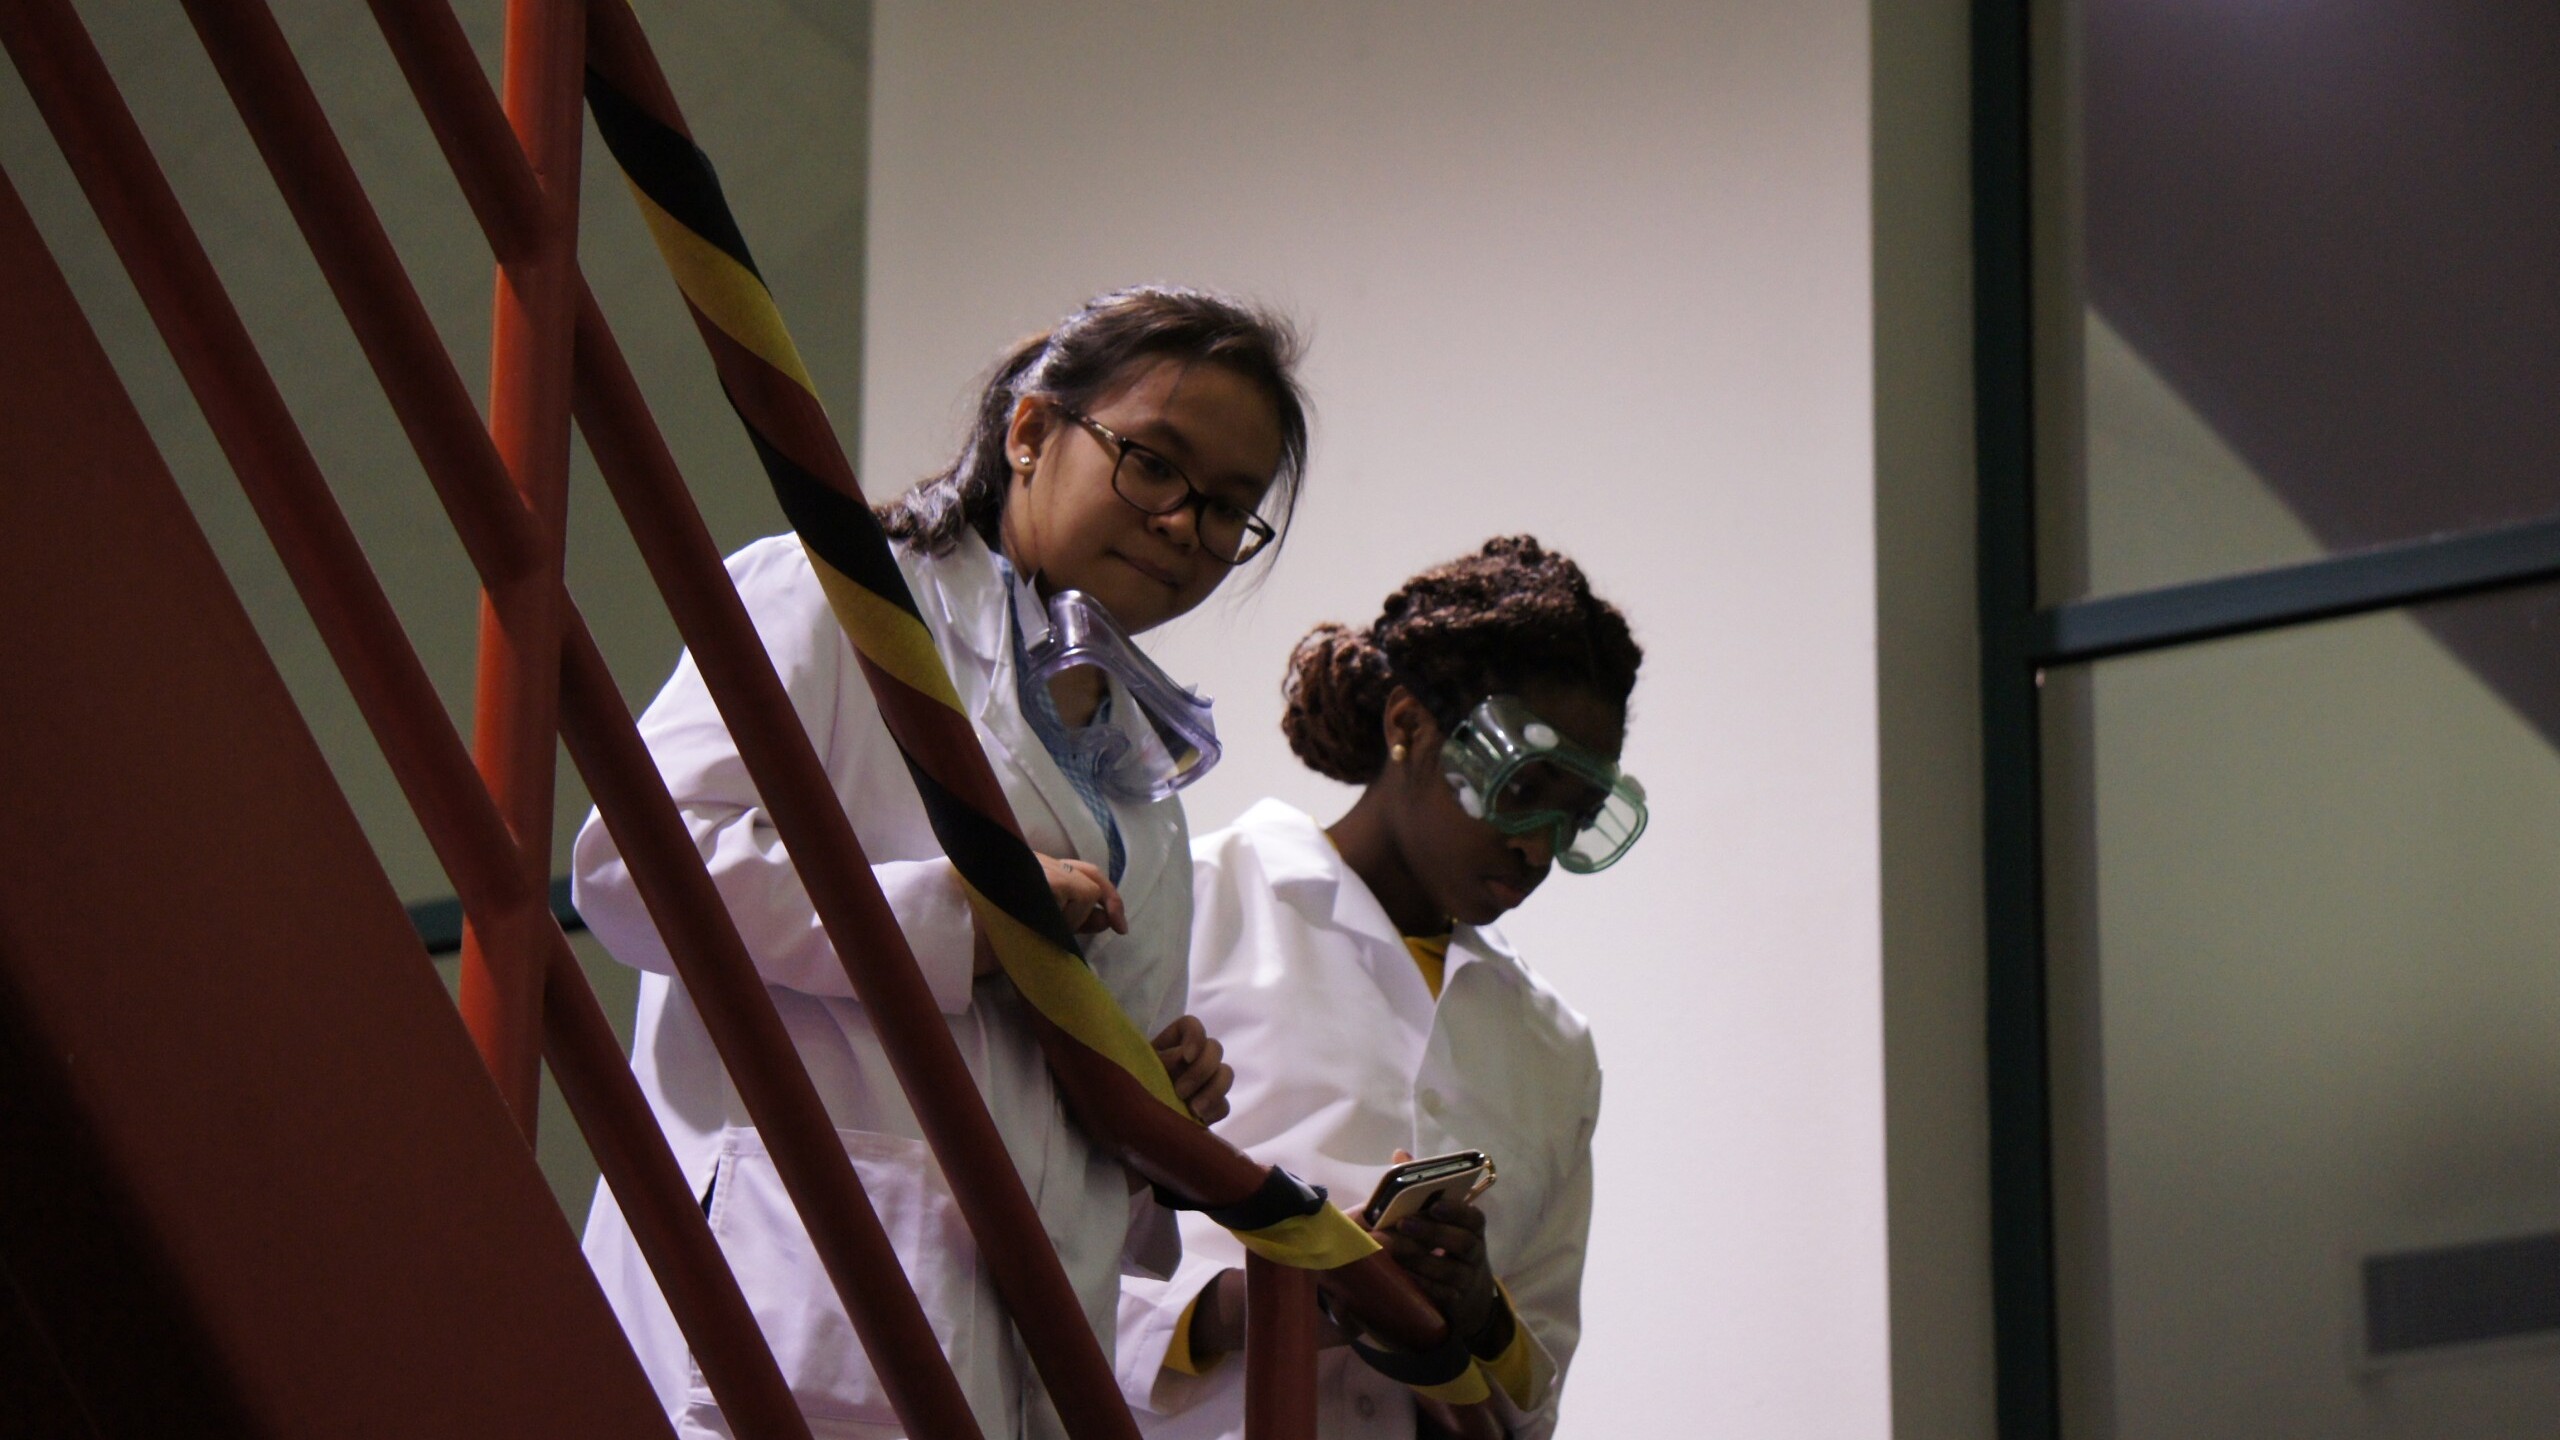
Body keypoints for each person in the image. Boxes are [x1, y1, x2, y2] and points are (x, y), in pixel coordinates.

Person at [572, 286, 1306, 1438]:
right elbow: (633, 868)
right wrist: (971, 921)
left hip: (1011, 1346)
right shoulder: (833, 595)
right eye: (1154, 464)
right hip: (793, 1297)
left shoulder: (1139, 780)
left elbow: (1037, 1075)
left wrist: (1150, 1100)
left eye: (1227, 508)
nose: (1181, 525)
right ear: (1028, 433)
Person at [1117, 537, 1644, 1440]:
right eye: (1522, 789)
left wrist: (1478, 1313)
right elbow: (1053, 1252)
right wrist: (1283, 1299)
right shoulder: (1192, 904)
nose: (1538, 846)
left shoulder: (1552, 1043)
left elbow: (1536, 1393)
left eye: (1578, 816)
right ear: (1408, 727)